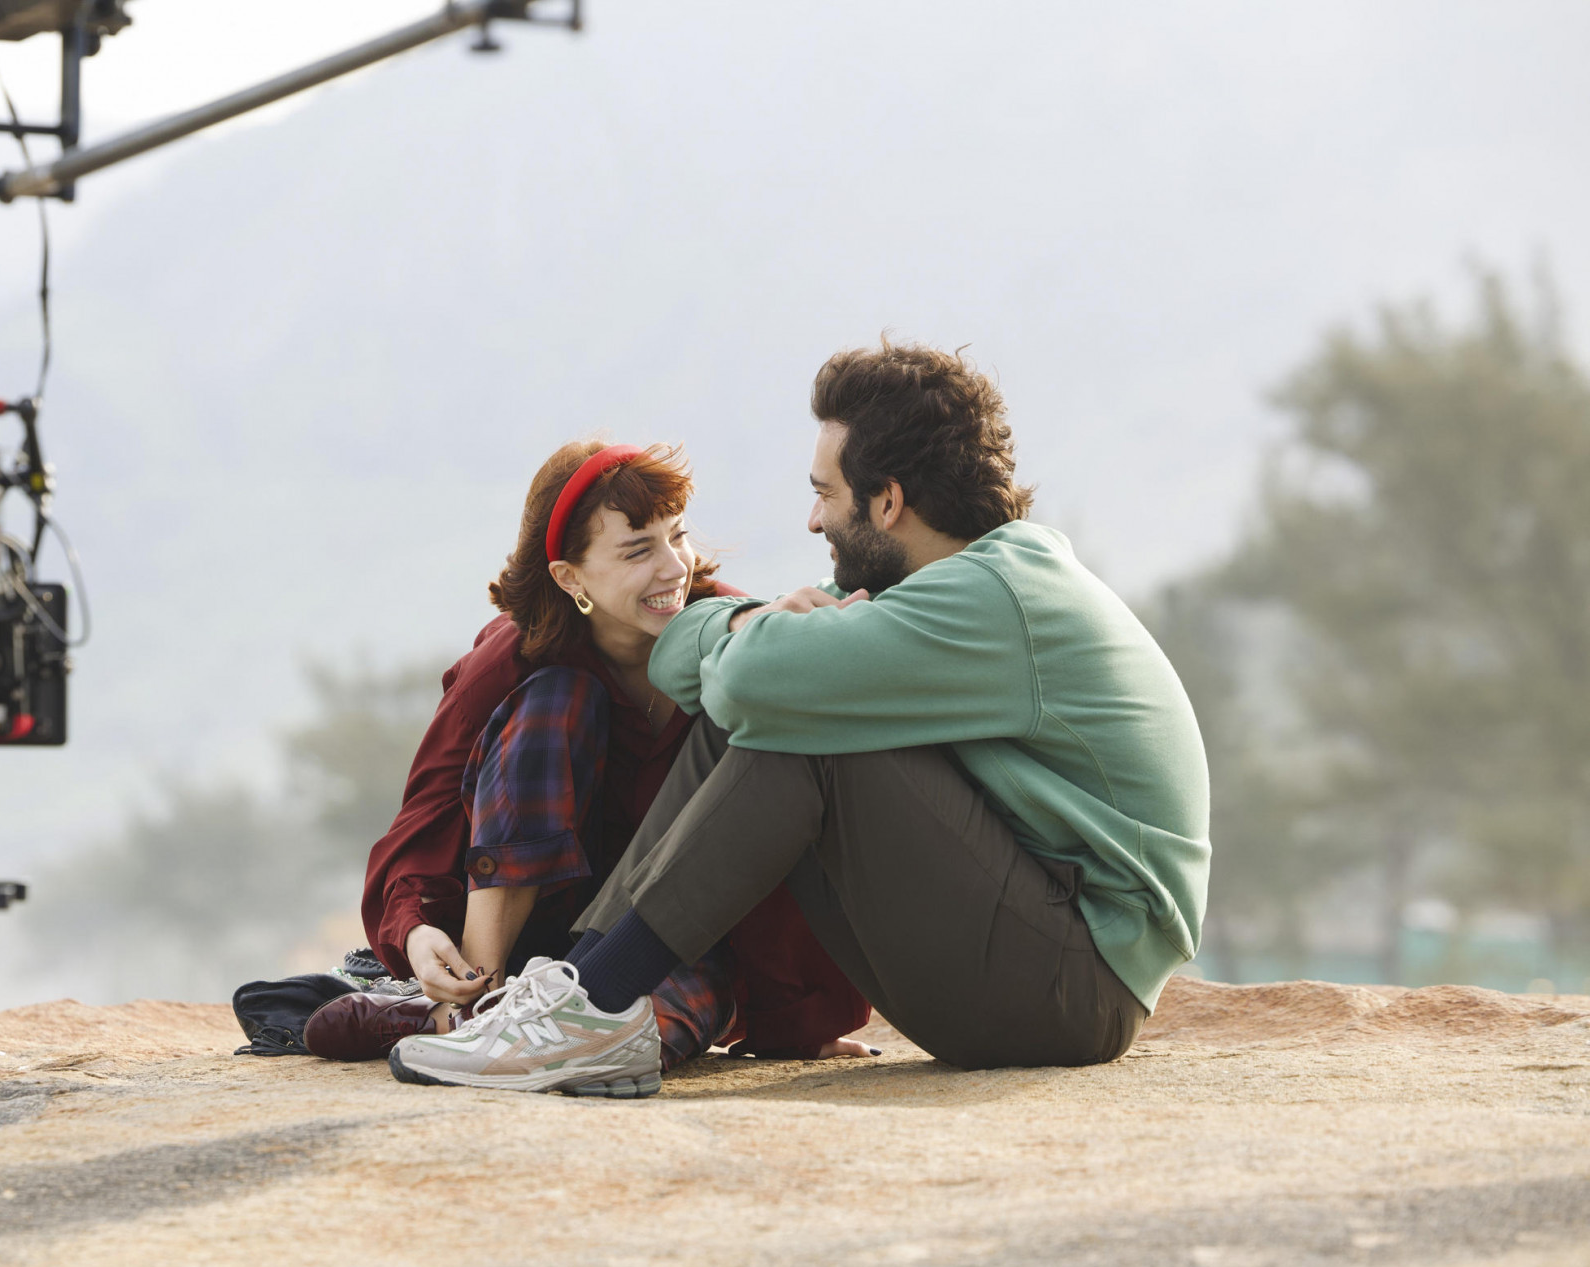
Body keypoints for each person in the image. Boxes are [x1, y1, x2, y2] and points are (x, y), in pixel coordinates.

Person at [388, 339, 1212, 1096]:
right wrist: (753, 629)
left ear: (887, 501)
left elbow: (745, 685)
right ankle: (580, 990)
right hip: (1030, 954)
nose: (812, 521)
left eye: (826, 494)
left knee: (802, 734)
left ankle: (590, 1005)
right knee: (774, 710)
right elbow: (711, 676)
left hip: (1076, 987)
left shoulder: (990, 600)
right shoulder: (952, 587)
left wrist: (750, 637)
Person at [307, 440, 871, 1077]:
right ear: (569, 577)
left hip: (656, 938)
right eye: (637, 550)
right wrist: (412, 930)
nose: (672, 567)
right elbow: (423, 819)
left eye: (676, 536)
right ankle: (477, 1010)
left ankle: (443, 1025)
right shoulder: (511, 661)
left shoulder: (735, 636)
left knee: (639, 1040)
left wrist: (796, 1022)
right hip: (526, 933)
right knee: (558, 699)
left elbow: (784, 817)